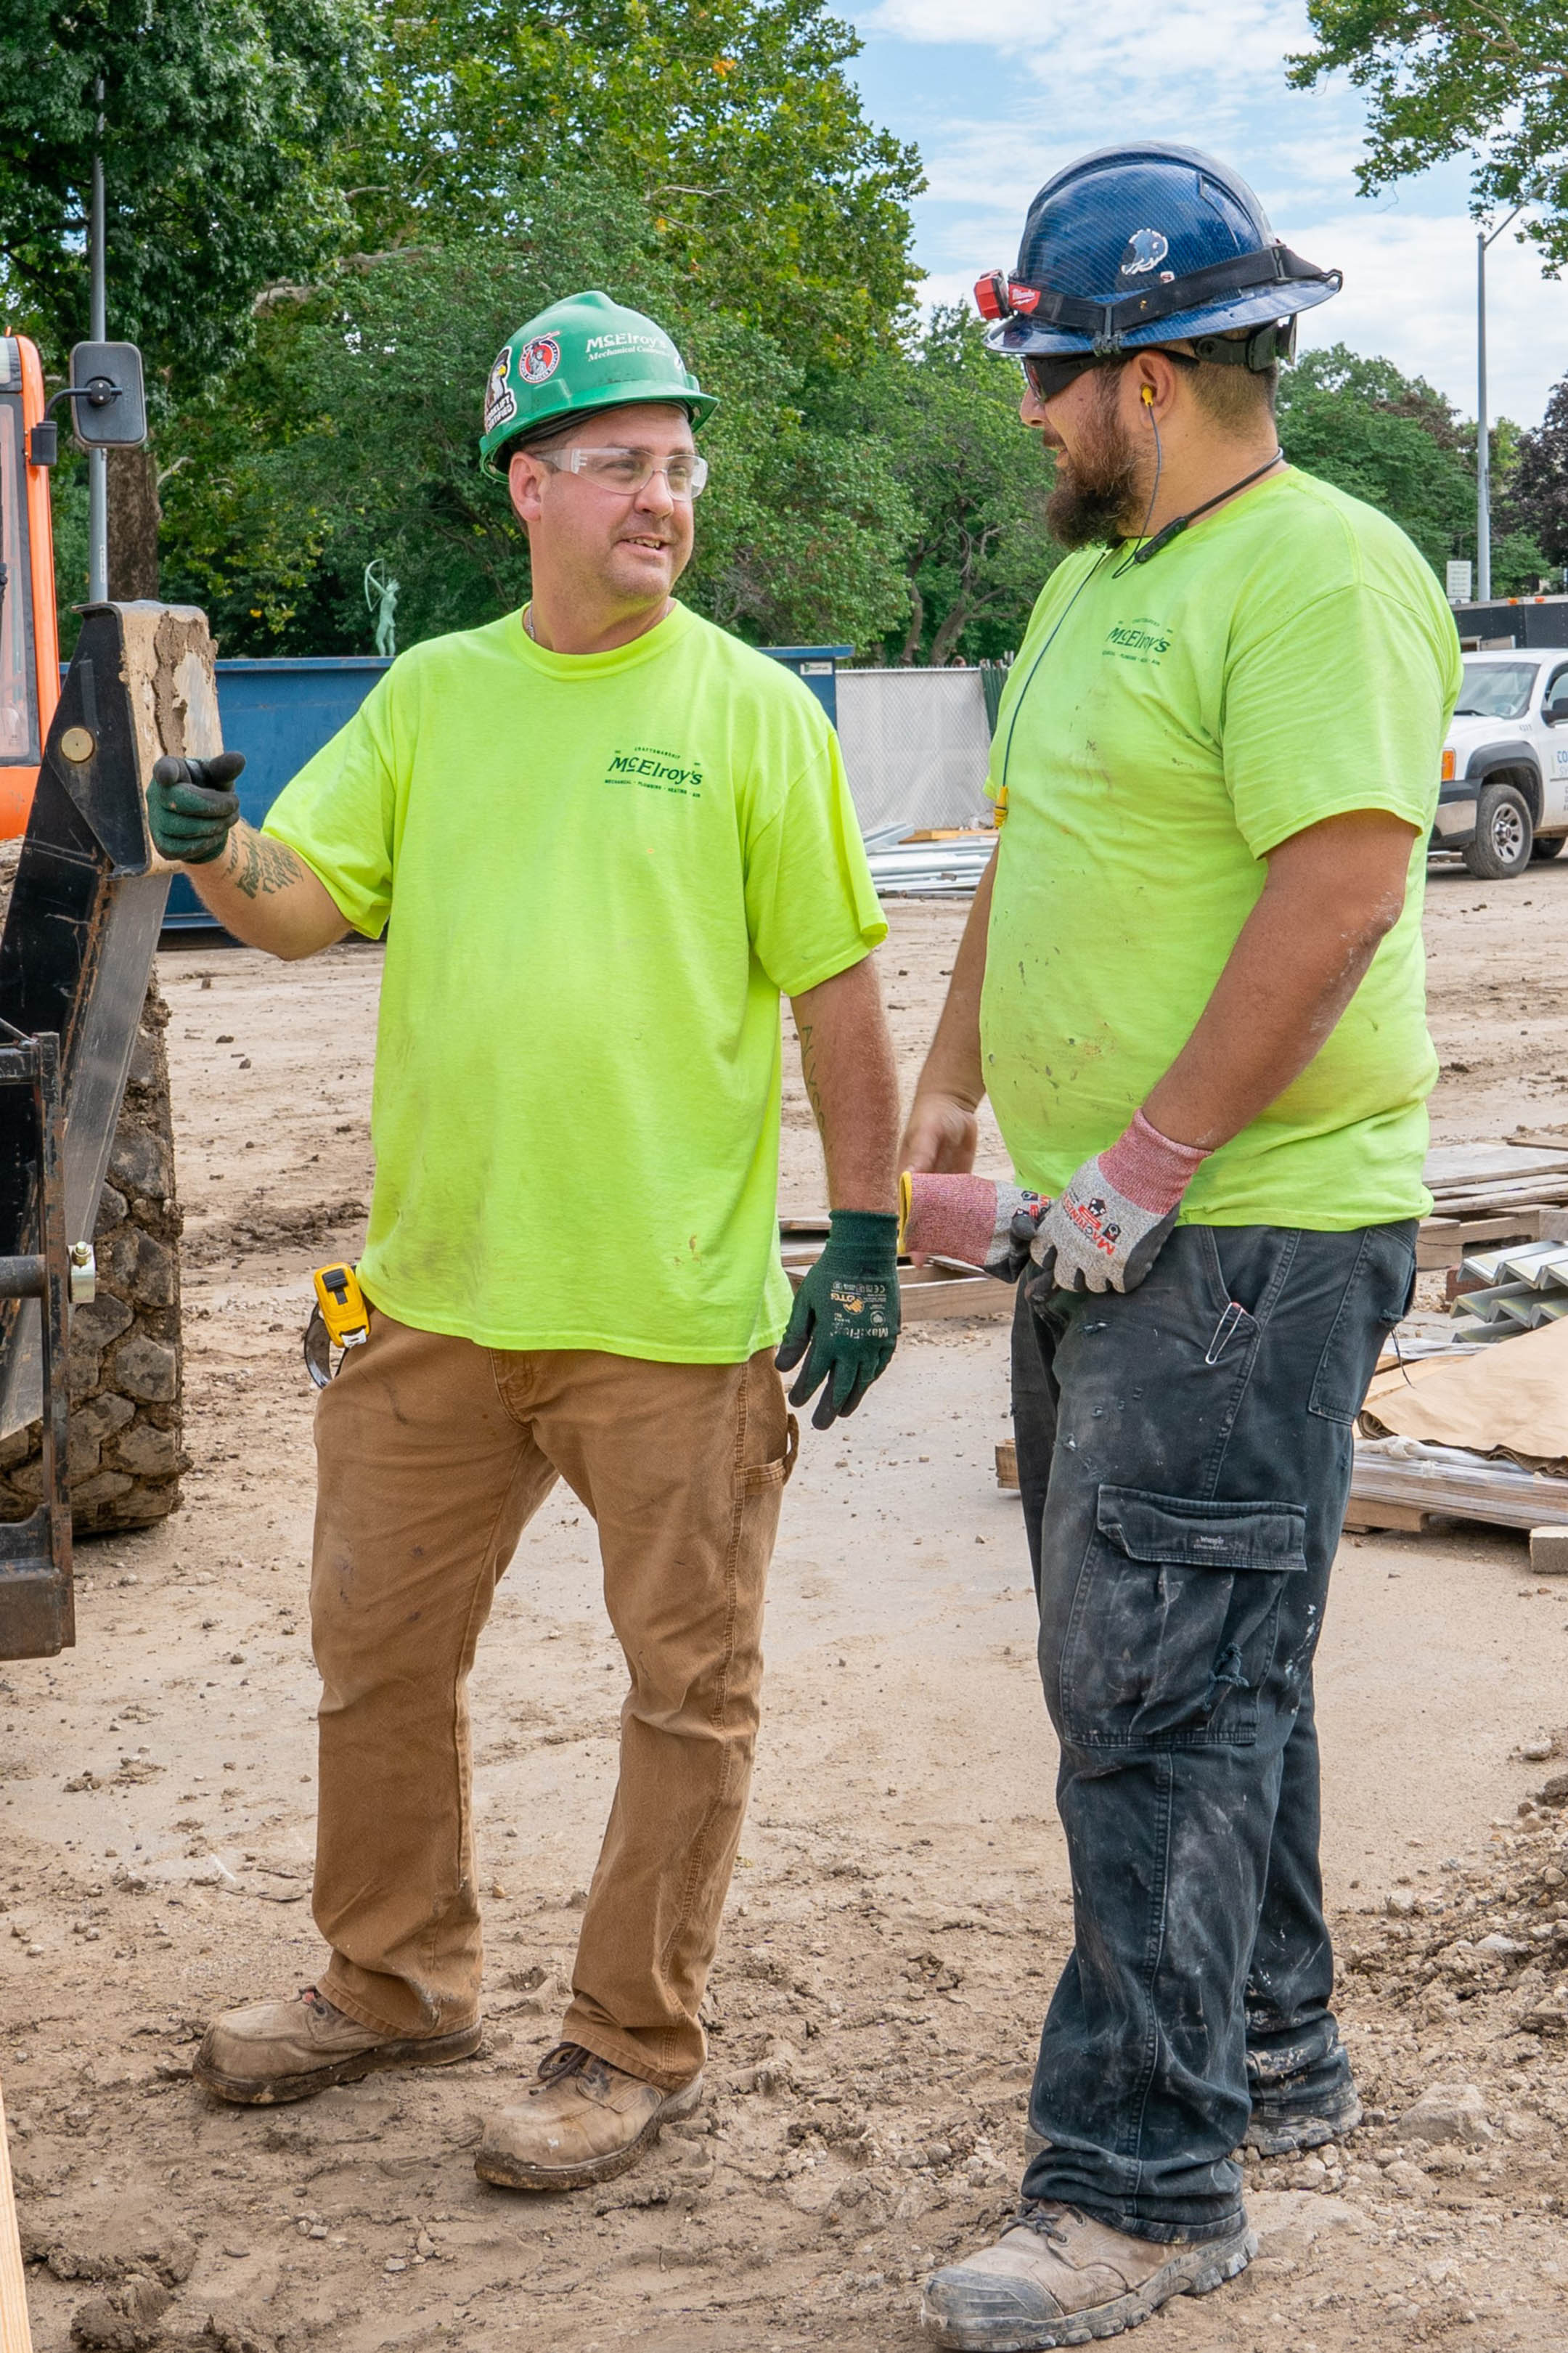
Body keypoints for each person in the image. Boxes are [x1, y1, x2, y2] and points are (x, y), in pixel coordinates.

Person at [149, 289, 902, 2191]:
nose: (667, 496)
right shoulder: (437, 698)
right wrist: (207, 846)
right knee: (374, 1655)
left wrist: (872, 1231)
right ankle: (391, 1976)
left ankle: (628, 2037)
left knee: (685, 1691)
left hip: (670, 1323)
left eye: (681, 465)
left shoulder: (751, 712)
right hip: (418, 1308)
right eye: (626, 465)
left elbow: (836, 998)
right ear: (530, 487)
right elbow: (302, 910)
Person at [902, 147, 1461, 2347]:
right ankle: (1271, 2047)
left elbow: (1339, 892)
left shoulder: (1318, 572)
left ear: (1147, 376)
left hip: (1240, 1232)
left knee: (1156, 1691)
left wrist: (1141, 1158)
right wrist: (961, 1073)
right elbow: (1044, 848)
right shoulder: (1094, 584)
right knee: (1224, 1652)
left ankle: (1144, 2178)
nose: (1033, 416)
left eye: (1055, 378)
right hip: (1125, 1222)